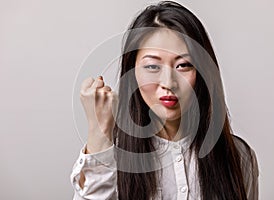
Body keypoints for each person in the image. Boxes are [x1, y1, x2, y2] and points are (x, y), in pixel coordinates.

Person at [70, 1, 259, 200]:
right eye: (152, 66)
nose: (168, 83)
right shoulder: (107, 159)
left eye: (183, 65)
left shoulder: (238, 156)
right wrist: (99, 134)